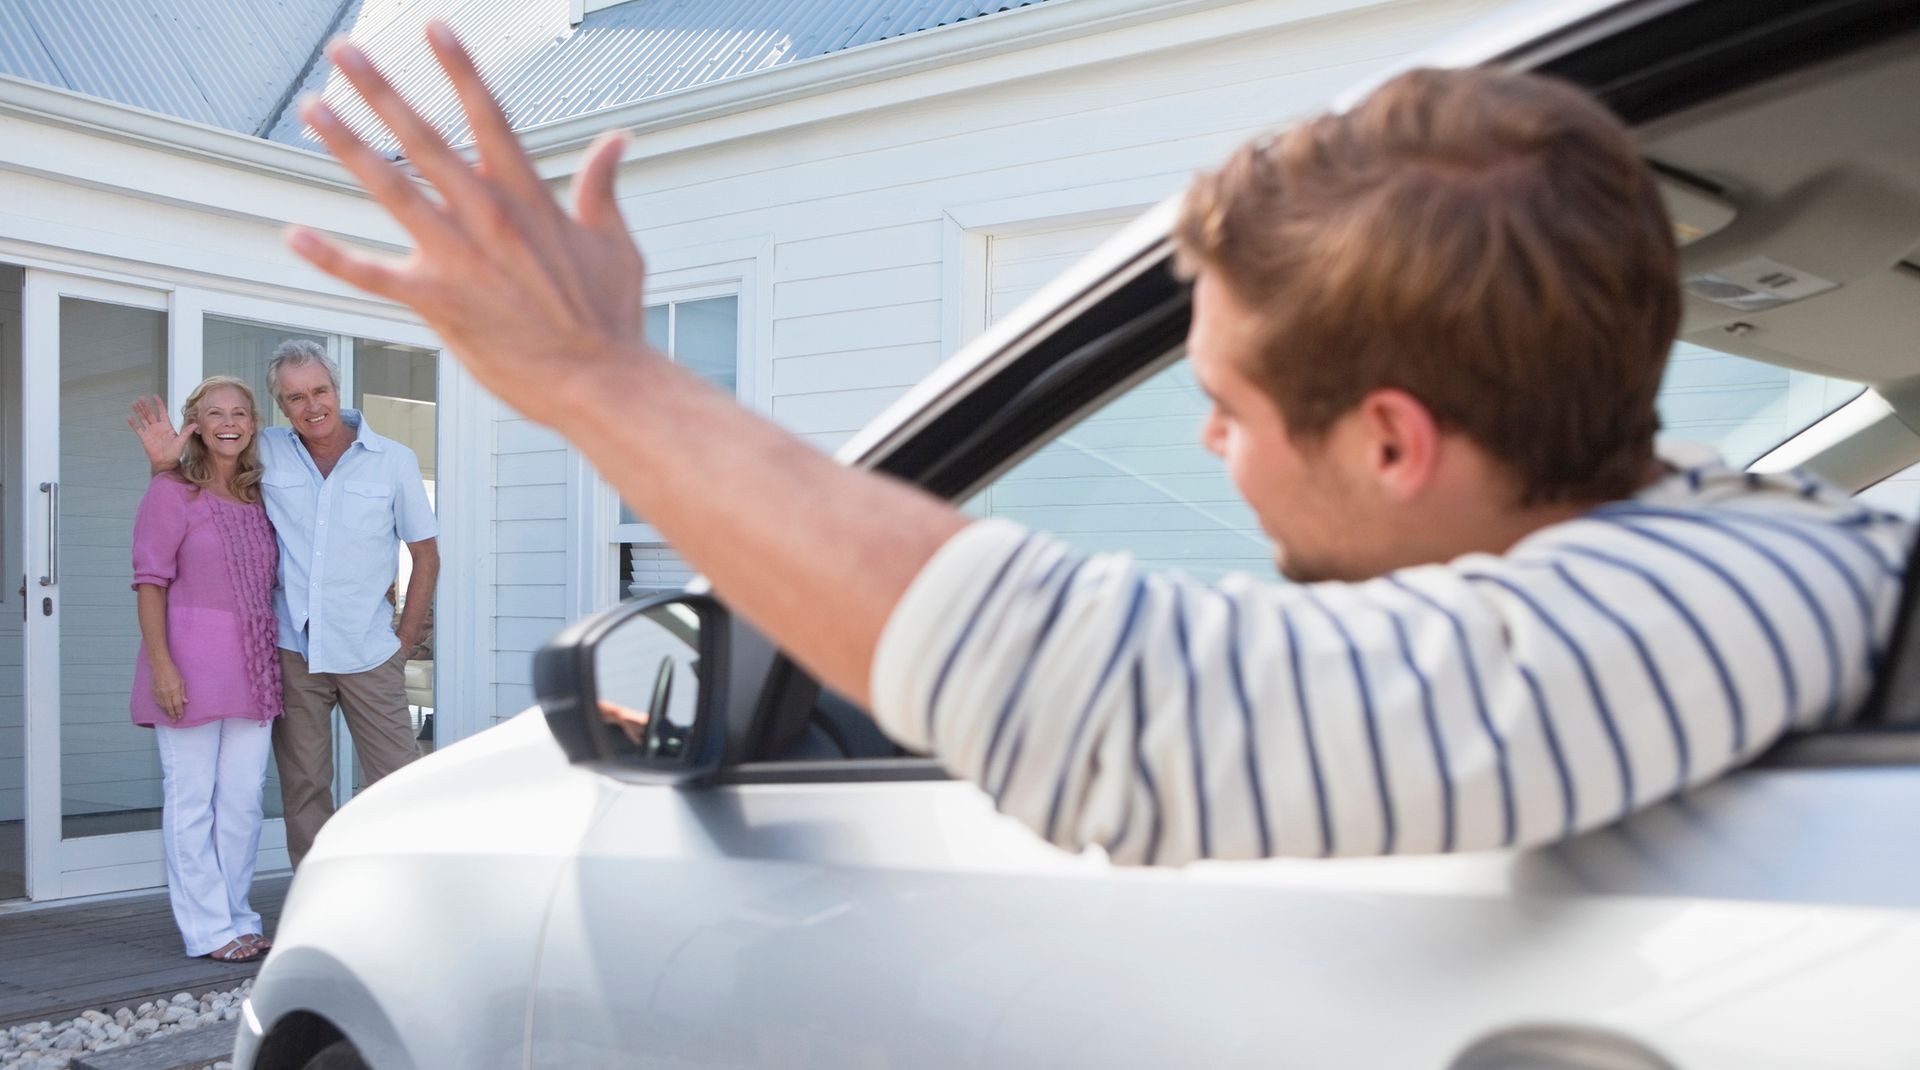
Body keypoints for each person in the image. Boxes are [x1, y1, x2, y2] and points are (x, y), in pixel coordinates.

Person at [284, 27, 1910, 863]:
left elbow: (1139, 715)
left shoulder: (1727, 594)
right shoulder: (1715, 543)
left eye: (1230, 405)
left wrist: (596, 378)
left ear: (1398, 441)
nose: (1204, 440)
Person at [129, 342, 439, 867]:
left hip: (369, 651)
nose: (311, 406)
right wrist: (164, 467)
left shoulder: (394, 461)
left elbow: (425, 557)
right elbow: (203, 492)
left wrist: (403, 643)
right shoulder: (265, 450)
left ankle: (402, 899)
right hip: (292, 652)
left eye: (319, 391)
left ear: (336, 390)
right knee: (304, 791)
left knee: (398, 782)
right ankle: (319, 907)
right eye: (294, 397)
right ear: (279, 405)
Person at [131, 377, 280, 961]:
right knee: (192, 799)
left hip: (253, 666)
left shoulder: (260, 496)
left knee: (242, 800)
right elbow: (149, 582)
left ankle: (238, 916)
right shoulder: (170, 491)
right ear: (195, 423)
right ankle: (207, 929)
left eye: (240, 413)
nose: (229, 422)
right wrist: (162, 668)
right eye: (214, 412)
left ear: (252, 425)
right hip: (188, 665)